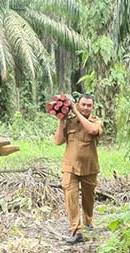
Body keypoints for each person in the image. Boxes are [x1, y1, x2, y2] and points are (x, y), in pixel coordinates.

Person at [53, 94, 104, 244]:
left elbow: (92, 131)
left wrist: (75, 111)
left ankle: (88, 222)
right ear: (79, 104)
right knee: (71, 198)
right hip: (70, 167)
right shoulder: (69, 122)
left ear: (93, 107)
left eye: (89, 105)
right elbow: (58, 141)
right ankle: (76, 230)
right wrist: (61, 120)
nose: (86, 108)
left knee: (88, 198)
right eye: (83, 104)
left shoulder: (96, 121)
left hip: (90, 167)